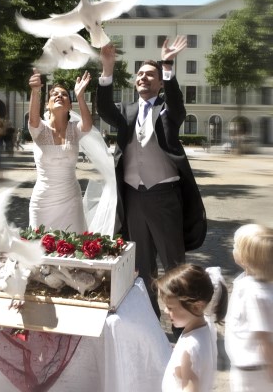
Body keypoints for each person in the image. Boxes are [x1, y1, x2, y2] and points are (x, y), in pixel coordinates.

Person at [96, 36, 207, 318]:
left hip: (164, 197)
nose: (143, 78)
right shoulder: (126, 111)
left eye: (151, 74)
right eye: (140, 74)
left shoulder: (168, 110)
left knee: (173, 265)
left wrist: (167, 65)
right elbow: (105, 109)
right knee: (141, 267)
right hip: (133, 197)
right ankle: (150, 323)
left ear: (160, 83)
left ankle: (184, 322)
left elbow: (178, 105)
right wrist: (107, 69)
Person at [28, 68, 92, 232]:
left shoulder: (75, 130)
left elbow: (87, 125)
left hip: (71, 199)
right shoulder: (39, 130)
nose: (59, 96)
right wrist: (36, 92)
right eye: (54, 94)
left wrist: (80, 96)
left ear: (70, 105)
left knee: (73, 248)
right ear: (48, 105)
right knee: (41, 249)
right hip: (43, 201)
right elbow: (33, 118)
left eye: (64, 94)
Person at [156, 263, 228, 392]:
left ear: (197, 306)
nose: (166, 311)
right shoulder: (205, 328)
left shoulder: (191, 348)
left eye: (171, 308)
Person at [225, 224, 273, 392]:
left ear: (246, 258)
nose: (233, 248)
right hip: (246, 366)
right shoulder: (247, 281)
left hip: (254, 370)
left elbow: (263, 335)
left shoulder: (255, 293)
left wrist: (270, 367)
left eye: (236, 246)